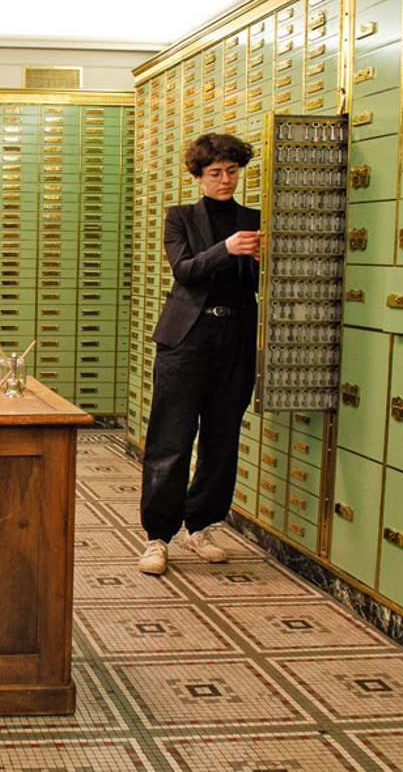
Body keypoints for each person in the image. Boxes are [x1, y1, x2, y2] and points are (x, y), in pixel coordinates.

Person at [138, 133, 261, 575]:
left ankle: (201, 525)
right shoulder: (181, 218)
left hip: (236, 337)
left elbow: (264, 283)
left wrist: (267, 259)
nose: (225, 179)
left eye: (232, 171)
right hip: (187, 339)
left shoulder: (254, 218)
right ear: (198, 176)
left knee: (222, 438)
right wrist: (226, 249)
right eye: (215, 173)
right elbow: (185, 271)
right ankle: (157, 537)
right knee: (170, 440)